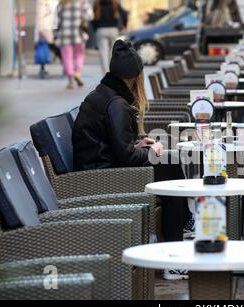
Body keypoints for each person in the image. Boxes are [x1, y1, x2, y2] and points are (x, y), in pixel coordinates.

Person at [72, 40, 192, 281]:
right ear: (135, 76)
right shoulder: (116, 104)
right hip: (102, 179)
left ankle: (185, 225)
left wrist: (140, 144)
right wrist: (151, 150)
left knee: (169, 163)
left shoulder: (105, 94)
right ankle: (174, 256)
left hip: (98, 169)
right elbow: (125, 157)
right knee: (171, 177)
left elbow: (114, 146)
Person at [54, 0, 93, 89]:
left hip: (64, 35)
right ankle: (77, 73)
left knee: (67, 58)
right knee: (79, 55)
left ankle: (70, 80)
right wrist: (81, 17)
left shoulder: (61, 3)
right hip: (78, 34)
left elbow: (56, 21)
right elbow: (90, 16)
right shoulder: (83, 2)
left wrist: (55, 34)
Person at [92, 0, 129, 74]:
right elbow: (125, 14)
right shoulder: (115, 3)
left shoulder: (96, 4)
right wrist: (124, 25)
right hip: (113, 30)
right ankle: (112, 72)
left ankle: (106, 73)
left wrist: (95, 28)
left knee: (103, 52)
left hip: (101, 30)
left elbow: (92, 18)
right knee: (112, 52)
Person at [35, 0, 60, 78]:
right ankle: (43, 68)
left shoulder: (54, 2)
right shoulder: (42, 2)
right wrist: (40, 30)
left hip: (51, 27)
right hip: (46, 28)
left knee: (51, 47)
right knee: (46, 47)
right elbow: (40, 16)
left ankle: (65, 64)